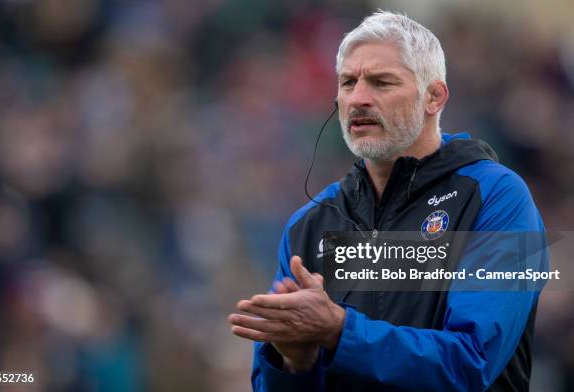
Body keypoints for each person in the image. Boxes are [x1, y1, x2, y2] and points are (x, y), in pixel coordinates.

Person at [229, 11, 548, 391]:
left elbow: (472, 362)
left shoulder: (496, 196)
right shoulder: (310, 224)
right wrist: (295, 361)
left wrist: (338, 331)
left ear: (434, 97)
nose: (358, 99)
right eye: (348, 83)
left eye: (381, 82)